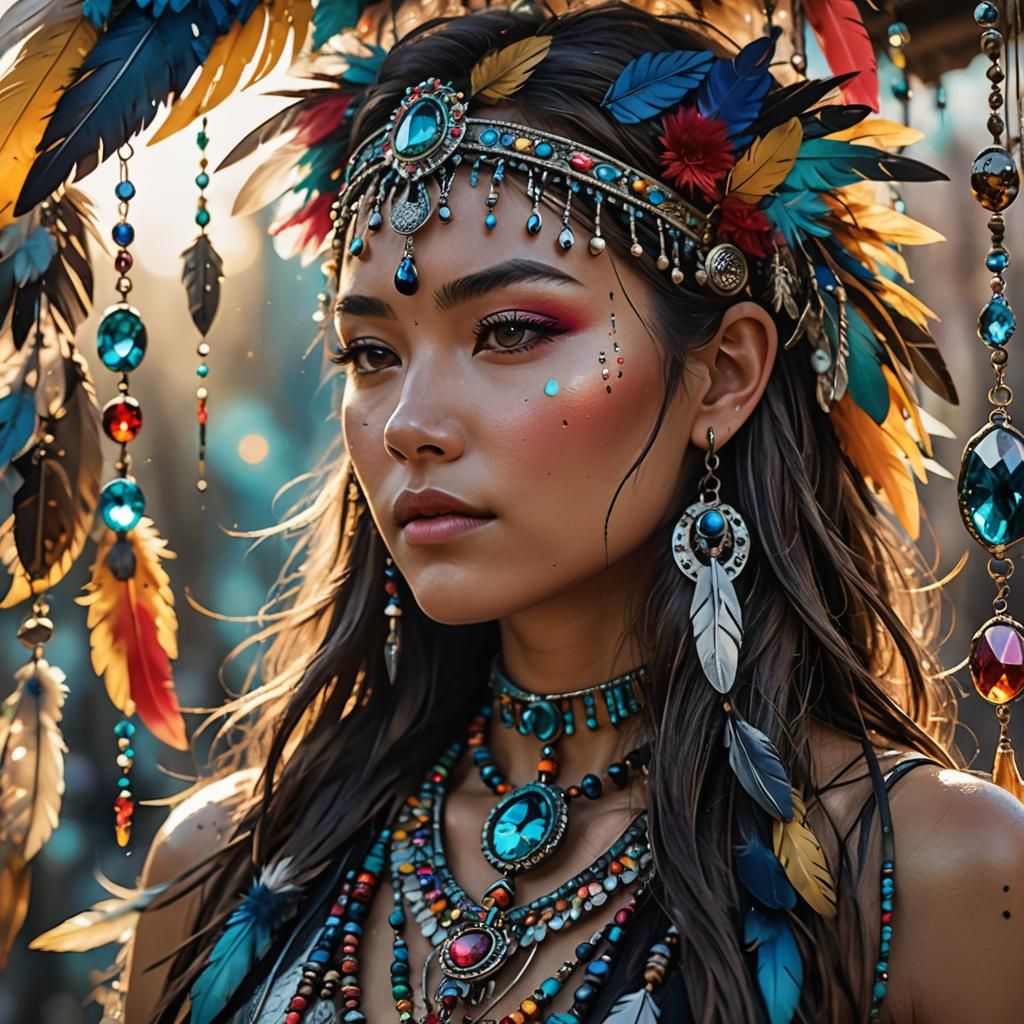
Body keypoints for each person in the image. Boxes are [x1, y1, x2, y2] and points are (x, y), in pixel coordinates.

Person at [104, 3, 1024, 1022]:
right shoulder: (220, 866)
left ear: (722, 375)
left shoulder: (936, 878)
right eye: (371, 353)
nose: (407, 424)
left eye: (507, 330)